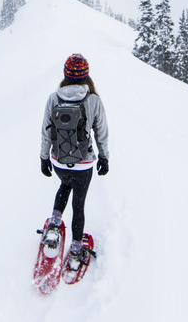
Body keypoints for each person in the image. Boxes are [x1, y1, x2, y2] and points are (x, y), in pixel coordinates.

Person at [39, 53, 109, 267]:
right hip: (84, 163)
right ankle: (77, 251)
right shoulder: (93, 100)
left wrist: (44, 158)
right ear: (86, 75)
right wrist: (104, 158)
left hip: (59, 161)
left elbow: (45, 132)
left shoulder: (54, 98)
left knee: (64, 185)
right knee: (78, 205)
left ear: (65, 74)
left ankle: (54, 226)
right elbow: (101, 133)